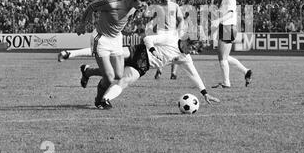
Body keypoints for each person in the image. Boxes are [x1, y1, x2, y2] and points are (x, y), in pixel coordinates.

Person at [80, 33, 220, 109]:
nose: (192, 52)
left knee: (125, 80)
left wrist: (205, 93)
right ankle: (77, 59)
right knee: (112, 61)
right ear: (187, 42)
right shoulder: (171, 38)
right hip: (138, 51)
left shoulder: (185, 57)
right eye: (192, 48)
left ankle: (105, 99)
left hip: (143, 65)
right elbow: (148, 38)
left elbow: (193, 74)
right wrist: (153, 50)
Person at [75, 0, 151, 109]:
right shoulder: (111, 3)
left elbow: (126, 18)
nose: (143, 3)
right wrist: (82, 24)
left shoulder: (135, 7)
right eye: (141, 0)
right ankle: (99, 101)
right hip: (101, 39)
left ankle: (87, 71)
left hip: (116, 39)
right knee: (109, 77)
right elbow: (91, 6)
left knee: (118, 75)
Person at [211, 0, 252, 88]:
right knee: (224, 56)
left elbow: (230, 13)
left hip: (228, 28)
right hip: (225, 27)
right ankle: (246, 71)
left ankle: (226, 83)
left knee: (222, 58)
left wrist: (218, 20)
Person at [145, 0, 184, 80]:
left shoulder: (175, 6)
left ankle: (173, 73)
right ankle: (159, 69)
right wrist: (146, 8)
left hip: (172, 32)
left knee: (175, 52)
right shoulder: (158, 6)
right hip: (161, 31)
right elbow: (147, 15)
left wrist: (179, 30)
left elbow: (181, 19)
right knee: (160, 52)